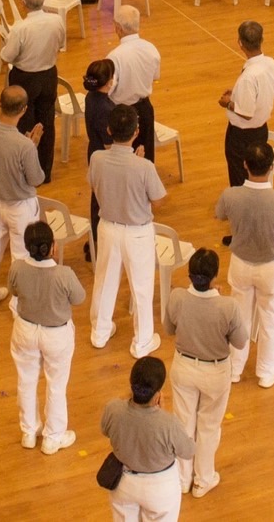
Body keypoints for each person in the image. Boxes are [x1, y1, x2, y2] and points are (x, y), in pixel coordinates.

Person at [215, 142, 274, 388]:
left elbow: (219, 213)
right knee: (272, 321)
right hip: (272, 268)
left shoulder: (230, 195)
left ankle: (234, 369)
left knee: (240, 319)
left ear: (245, 165)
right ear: (272, 167)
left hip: (241, 265)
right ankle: (266, 371)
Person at [163, 248, 248, 499]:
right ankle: (203, 479)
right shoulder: (228, 306)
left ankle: (182, 478)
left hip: (183, 367)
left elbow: (169, 329)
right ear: (214, 276)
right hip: (215, 371)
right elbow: (241, 342)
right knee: (209, 426)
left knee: (183, 423)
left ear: (189, 275)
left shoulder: (177, 297)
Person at [90, 104, 168, 357]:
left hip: (108, 227)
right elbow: (157, 200)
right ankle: (142, 341)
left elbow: (94, 185)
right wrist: (140, 164)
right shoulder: (143, 167)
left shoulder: (97, 158)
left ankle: (99, 332)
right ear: (136, 132)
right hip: (137, 232)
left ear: (109, 130)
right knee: (142, 287)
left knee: (104, 280)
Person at [8, 220, 87, 454]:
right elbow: (79, 298)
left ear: (27, 246)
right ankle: (53, 437)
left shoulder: (17, 268)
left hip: (25, 330)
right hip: (56, 335)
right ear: (52, 247)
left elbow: (13, 291)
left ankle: (29, 432)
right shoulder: (64, 274)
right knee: (56, 385)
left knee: (26, 380)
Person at [0, 85, 46, 309]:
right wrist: (33, 147)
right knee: (21, 255)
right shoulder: (24, 145)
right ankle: (18, 305)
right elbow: (36, 179)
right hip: (19, 207)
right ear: (24, 110)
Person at [100, 356, 196, 521]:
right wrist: (162, 413)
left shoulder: (113, 409)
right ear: (158, 393)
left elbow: (106, 430)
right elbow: (188, 451)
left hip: (123, 483)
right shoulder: (169, 424)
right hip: (160, 489)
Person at [1, 0, 66, 182]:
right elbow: (61, 44)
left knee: (24, 123)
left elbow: (7, 56)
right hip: (48, 75)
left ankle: (26, 172)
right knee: (46, 121)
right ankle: (44, 172)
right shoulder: (57, 21)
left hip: (25, 77)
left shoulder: (20, 28)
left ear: (23, 3)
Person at [219, 20, 274, 195]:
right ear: (262, 39)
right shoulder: (271, 64)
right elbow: (264, 92)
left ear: (240, 43)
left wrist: (228, 103)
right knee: (258, 177)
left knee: (240, 180)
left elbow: (246, 113)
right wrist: (239, 95)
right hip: (261, 131)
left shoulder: (248, 77)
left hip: (241, 137)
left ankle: (242, 214)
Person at [108, 4, 161, 161]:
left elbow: (109, 89)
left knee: (122, 160)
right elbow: (155, 76)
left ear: (118, 28)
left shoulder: (115, 57)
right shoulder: (151, 49)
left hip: (121, 113)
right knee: (145, 158)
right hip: (144, 110)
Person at [83, 59, 119, 256]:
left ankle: (96, 242)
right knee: (103, 202)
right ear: (109, 82)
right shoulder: (105, 109)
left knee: (97, 199)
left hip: (95, 152)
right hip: (105, 157)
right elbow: (109, 143)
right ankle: (99, 244)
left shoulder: (91, 97)